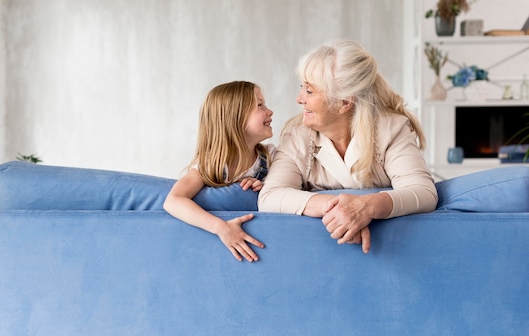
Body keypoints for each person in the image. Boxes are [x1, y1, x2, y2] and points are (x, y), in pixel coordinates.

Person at [258, 39, 438, 253]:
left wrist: (367, 207)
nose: (299, 99)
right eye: (302, 88)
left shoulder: (390, 129)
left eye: (310, 91)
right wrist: (343, 210)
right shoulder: (296, 136)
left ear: (344, 102)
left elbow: (424, 193)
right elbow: (270, 196)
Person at [164, 81, 276, 262]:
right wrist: (222, 228)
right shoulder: (210, 165)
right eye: (260, 105)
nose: (270, 111)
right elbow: (173, 201)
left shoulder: (272, 156)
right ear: (235, 117)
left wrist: (268, 185)